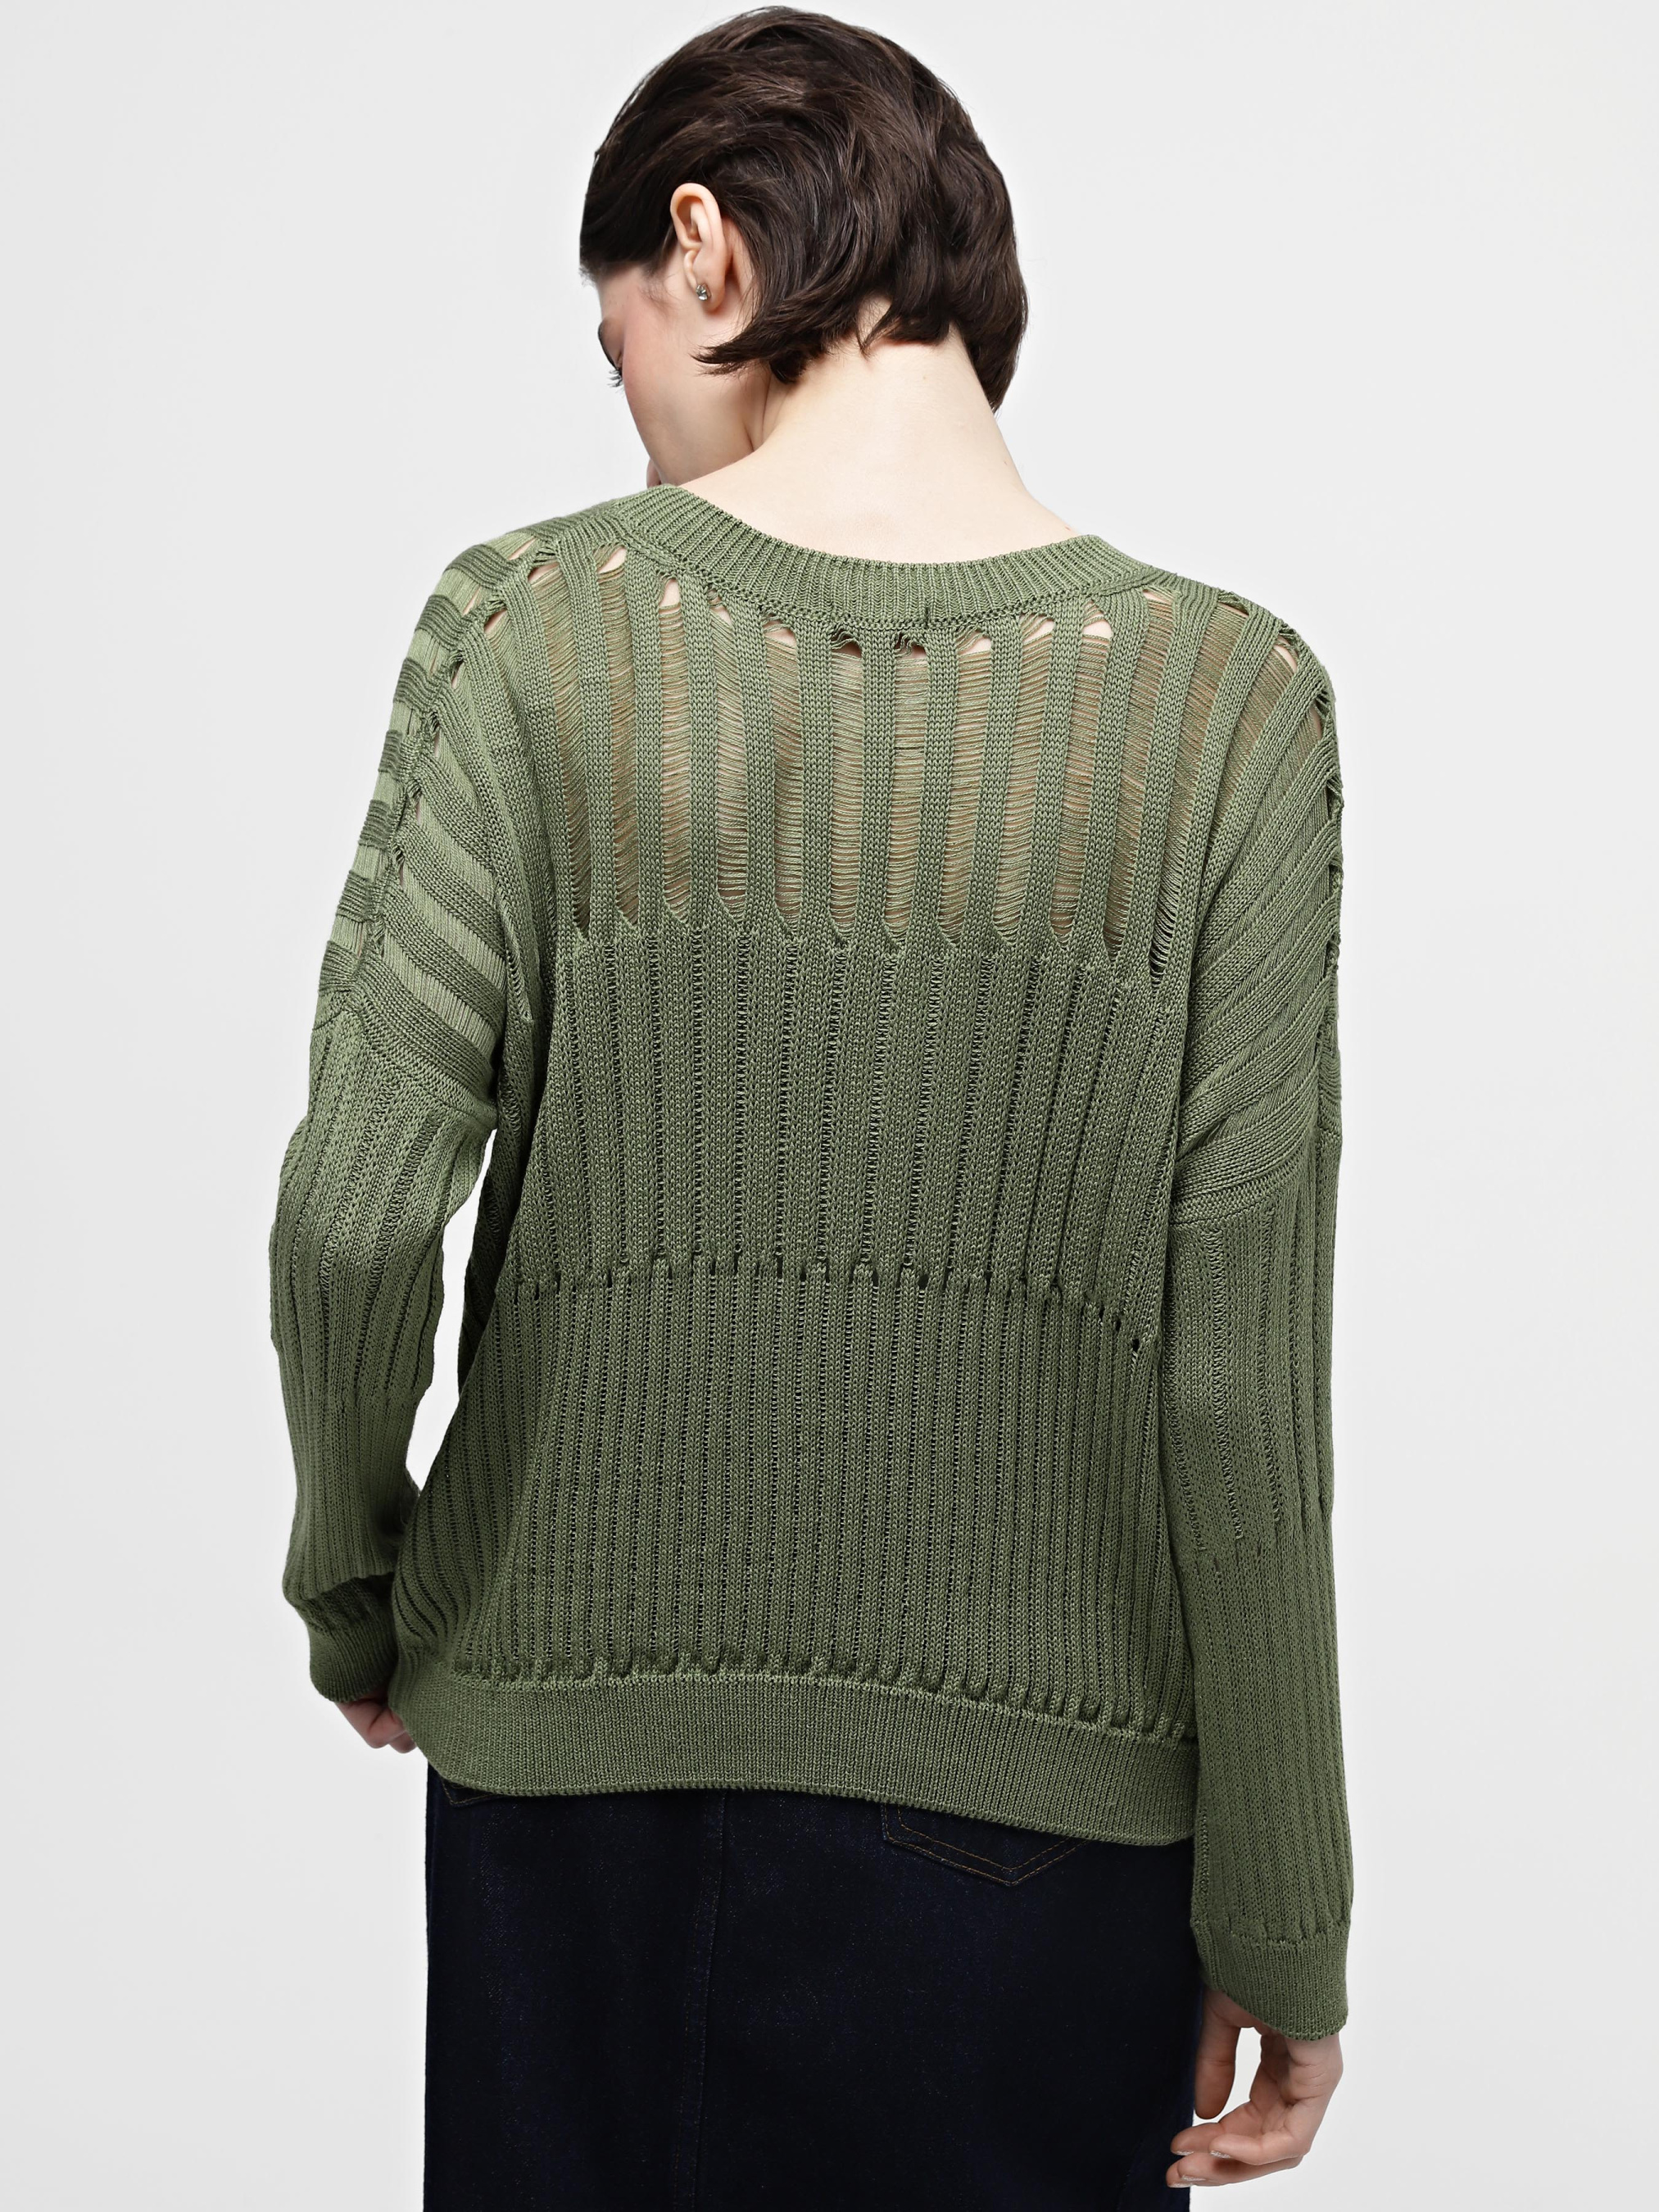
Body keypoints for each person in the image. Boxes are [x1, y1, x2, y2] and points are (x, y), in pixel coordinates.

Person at [267, 8, 1351, 2204]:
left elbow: (355, 1212)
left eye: (617, 354)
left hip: (570, 1771)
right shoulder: (1233, 709)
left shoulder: (527, 632)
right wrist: (1282, 1908)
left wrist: (358, 1591)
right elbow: (1240, 1382)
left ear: (707, 248)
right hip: (1044, 1851)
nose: (635, 425)